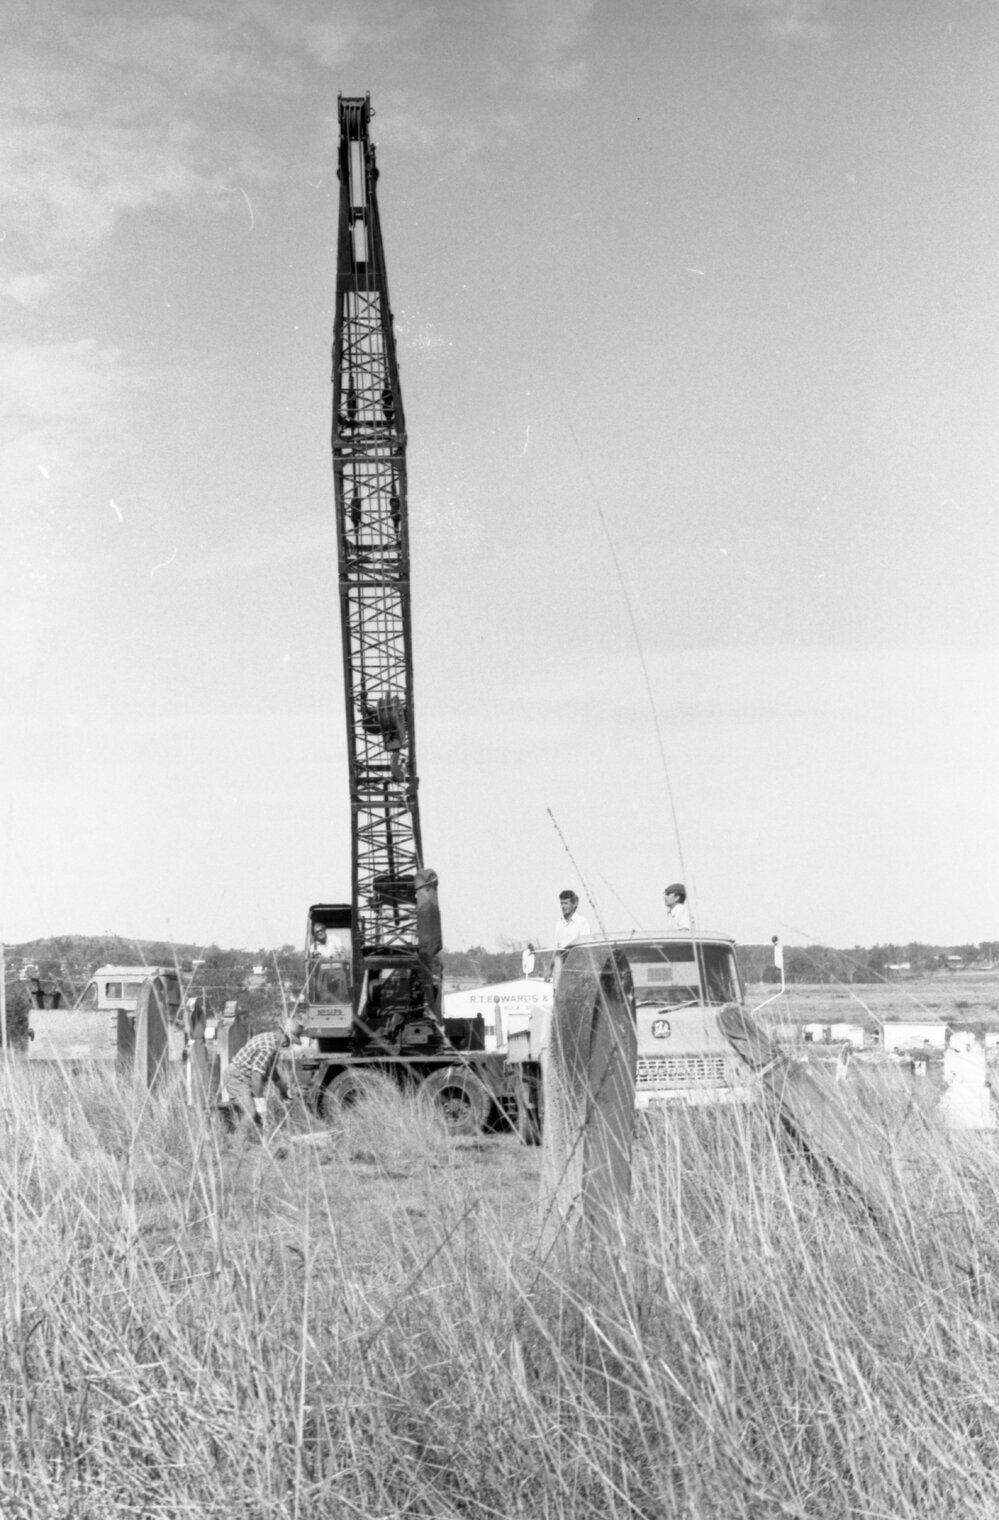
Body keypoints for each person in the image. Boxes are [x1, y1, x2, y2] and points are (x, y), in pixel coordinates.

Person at [220, 1016, 306, 1135]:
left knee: (256, 1116)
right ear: (283, 1034)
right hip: (237, 1078)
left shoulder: (272, 1042)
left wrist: (283, 1089)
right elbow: (257, 1077)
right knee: (251, 1112)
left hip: (243, 1078)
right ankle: (237, 1145)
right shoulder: (268, 1047)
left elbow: (271, 1071)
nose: (289, 1044)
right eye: (290, 1040)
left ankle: (257, 1143)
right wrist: (260, 1102)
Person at [552, 890, 591, 988]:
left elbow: (585, 948)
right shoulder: (558, 923)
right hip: (560, 966)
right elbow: (556, 949)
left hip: (576, 966)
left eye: (566, 903)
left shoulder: (582, 922)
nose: (563, 906)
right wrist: (551, 969)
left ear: (574, 904)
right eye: (561, 903)